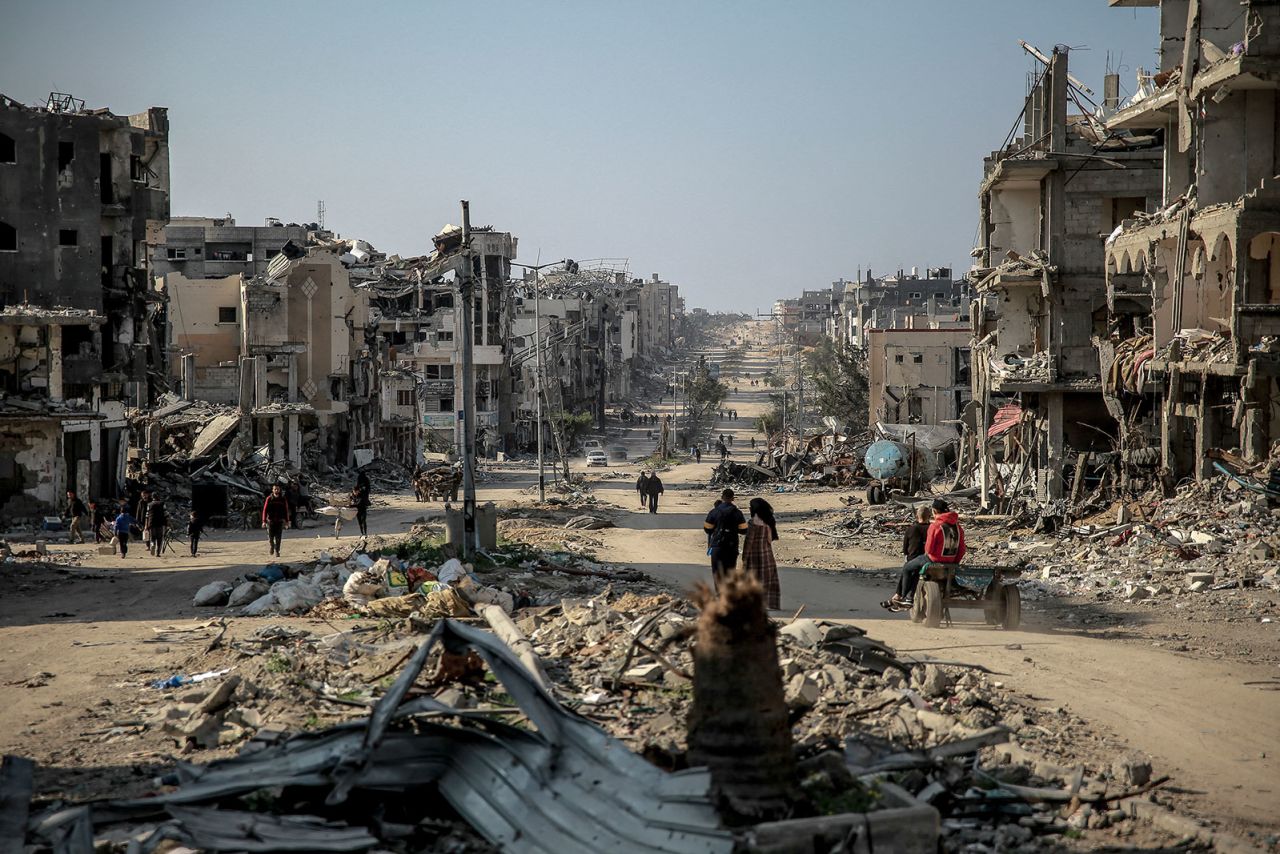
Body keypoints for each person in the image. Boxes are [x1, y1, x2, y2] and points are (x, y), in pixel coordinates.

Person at [889, 499, 965, 609]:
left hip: (933, 559)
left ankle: (905, 597)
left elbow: (929, 549)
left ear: (934, 511)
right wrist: (955, 561)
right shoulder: (958, 527)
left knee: (907, 568)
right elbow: (962, 549)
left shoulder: (935, 526)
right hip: (952, 561)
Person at [703, 488, 749, 585]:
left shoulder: (714, 512)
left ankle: (720, 596)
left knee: (717, 574)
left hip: (717, 546)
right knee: (730, 573)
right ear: (733, 498)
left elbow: (707, 528)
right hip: (731, 547)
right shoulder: (737, 513)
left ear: (722, 497)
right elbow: (744, 530)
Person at [742, 497, 781, 610]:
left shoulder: (752, 523)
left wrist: (744, 558)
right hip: (767, 555)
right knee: (768, 579)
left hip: (754, 556)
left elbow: (748, 542)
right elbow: (770, 540)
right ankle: (770, 604)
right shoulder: (769, 522)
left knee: (752, 580)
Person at [261, 483, 291, 557]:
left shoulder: (283, 499)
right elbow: (265, 510)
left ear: (280, 490)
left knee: (278, 538)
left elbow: (286, 511)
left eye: (278, 489)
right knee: (270, 538)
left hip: (279, 521)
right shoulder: (269, 498)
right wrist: (264, 521)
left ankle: (277, 551)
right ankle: (272, 546)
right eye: (275, 489)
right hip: (270, 521)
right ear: (272, 490)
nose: (276, 490)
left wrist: (287, 522)